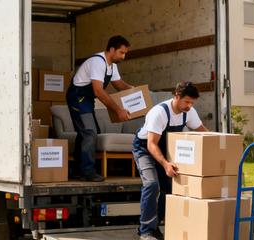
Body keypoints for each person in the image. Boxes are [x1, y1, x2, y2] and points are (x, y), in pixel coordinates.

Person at [132, 82, 208, 240]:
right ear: (177, 96)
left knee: (168, 188)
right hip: (145, 150)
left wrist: (223, 143)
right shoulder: (159, 113)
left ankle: (154, 227)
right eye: (187, 101)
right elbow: (151, 144)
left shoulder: (189, 112)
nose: (189, 106)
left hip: (165, 150)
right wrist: (166, 164)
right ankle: (146, 231)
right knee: (152, 184)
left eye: (192, 102)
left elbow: (204, 132)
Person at [66, 35, 135, 182]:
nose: (123, 56)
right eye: (121, 53)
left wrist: (135, 90)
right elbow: (99, 91)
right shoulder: (98, 62)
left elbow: (119, 84)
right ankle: (88, 171)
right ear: (112, 49)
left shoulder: (112, 65)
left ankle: (77, 170)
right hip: (78, 97)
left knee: (87, 132)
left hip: (87, 99)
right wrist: (118, 110)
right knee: (89, 132)